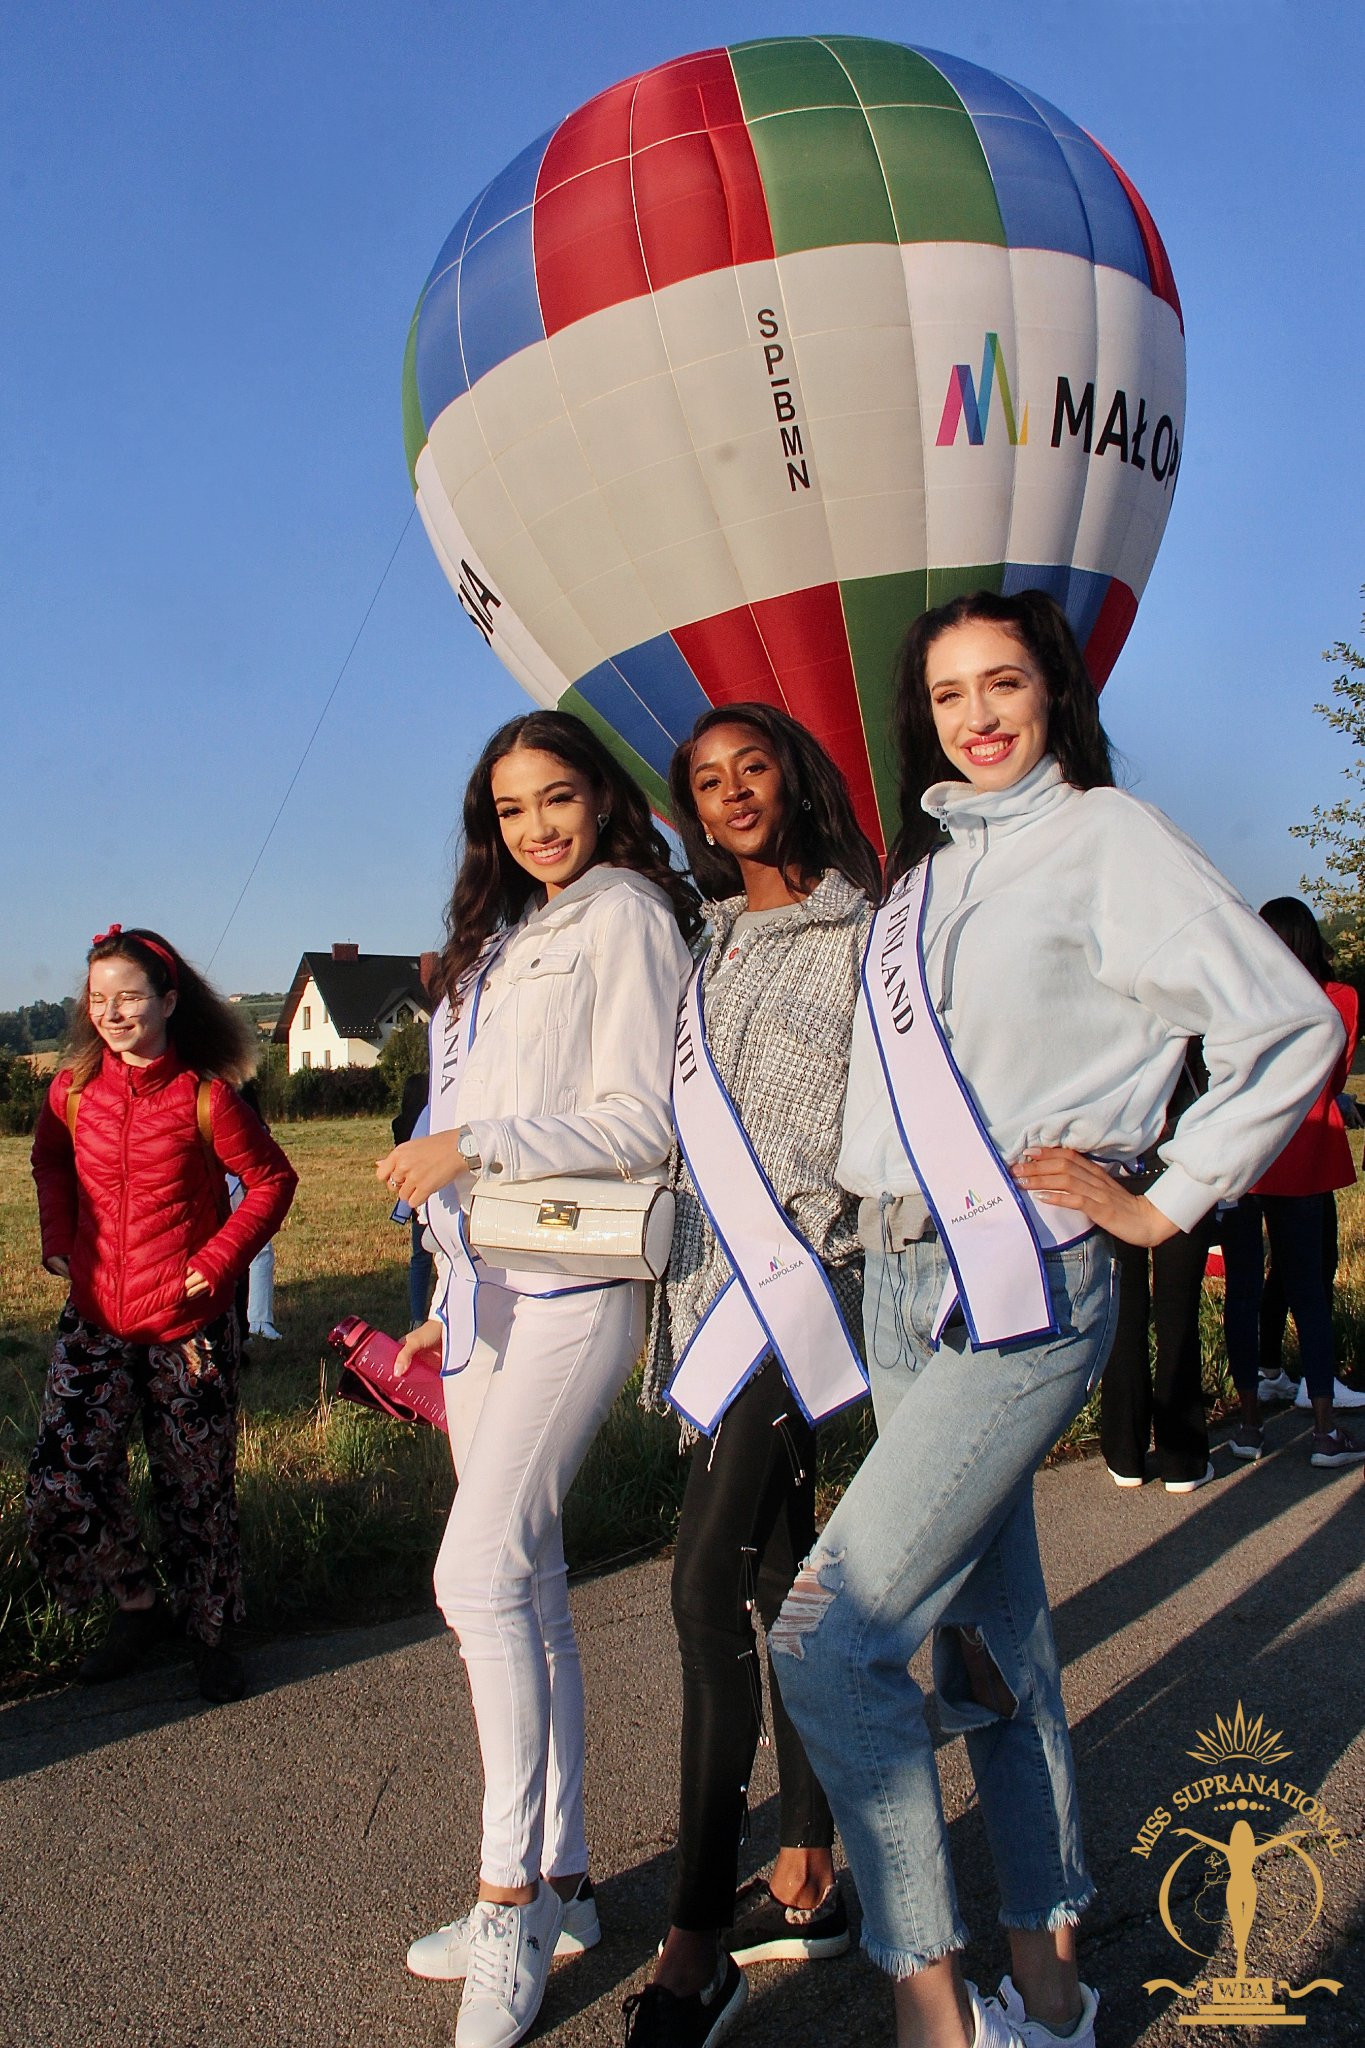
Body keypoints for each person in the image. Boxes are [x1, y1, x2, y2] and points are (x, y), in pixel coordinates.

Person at [769, 590, 1344, 2048]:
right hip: (898, 1285)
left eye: (1005, 680)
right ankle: (1048, 1980)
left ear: (1055, 693)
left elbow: (1292, 1021)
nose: (978, 712)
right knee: (997, 1644)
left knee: (828, 1641)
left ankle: (924, 1998)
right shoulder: (918, 883)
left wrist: (1165, 1198)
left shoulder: (1107, 839)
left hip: (1018, 1286)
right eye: (950, 690)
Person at [376, 711, 699, 2048]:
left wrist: (474, 1143)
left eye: (558, 798)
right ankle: (565, 1883)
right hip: (483, 1298)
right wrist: (437, 1297)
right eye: (511, 810)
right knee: (534, 1589)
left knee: (474, 1577)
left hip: (573, 1288)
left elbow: (643, 1120)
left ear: (602, 799)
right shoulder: (503, 940)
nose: (537, 828)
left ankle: (506, 1899)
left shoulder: (622, 915)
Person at [625, 706, 882, 2048]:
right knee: (781, 1579)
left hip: (795, 1299)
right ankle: (809, 1871)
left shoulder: (866, 937)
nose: (729, 795)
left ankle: (691, 1943)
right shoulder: (703, 946)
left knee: (700, 1579)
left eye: (752, 769)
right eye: (705, 782)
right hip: (700, 1307)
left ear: (799, 777)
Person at [28, 925, 297, 1703]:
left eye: (130, 997)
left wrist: (213, 1266)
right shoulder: (71, 1090)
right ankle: (138, 1605)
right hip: (95, 1318)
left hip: (188, 1329)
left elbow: (272, 1183)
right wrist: (57, 1238)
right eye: (99, 997)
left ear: (169, 1002)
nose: (112, 1012)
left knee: (196, 1491)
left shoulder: (209, 1099)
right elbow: (48, 1157)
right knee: (63, 1479)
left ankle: (209, 1635)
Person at [1220, 897, 1364, 1465]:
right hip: (1305, 1154)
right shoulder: (1340, 1000)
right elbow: (1333, 1078)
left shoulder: (1242, 999)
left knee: (1243, 1290)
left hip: (1244, 1158)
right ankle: (1326, 1428)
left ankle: (1251, 1425)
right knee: (1311, 1292)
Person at [1099, 1046, 1217, 1491]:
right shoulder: (1188, 1006)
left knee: (1125, 1313)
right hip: (1182, 1168)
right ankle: (1182, 1458)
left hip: (1116, 1168)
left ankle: (1124, 1451)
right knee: (1178, 1313)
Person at [391, 1067, 435, 1328]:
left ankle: (416, 1317)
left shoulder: (400, 1124)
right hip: (435, 1191)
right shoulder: (434, 1118)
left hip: (414, 1194)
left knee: (419, 1257)